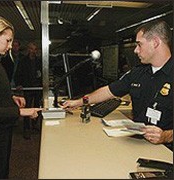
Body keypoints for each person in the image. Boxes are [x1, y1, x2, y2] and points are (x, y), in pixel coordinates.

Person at [62, 20, 173, 150]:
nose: (136, 50)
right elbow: (108, 91)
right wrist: (78, 102)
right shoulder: (138, 72)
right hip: (136, 144)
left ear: (155, 42)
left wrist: (166, 136)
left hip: (166, 150)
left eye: (139, 44)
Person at [0, 15, 42, 179]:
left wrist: (10, 97)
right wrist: (21, 112)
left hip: (0, 132)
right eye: (8, 40)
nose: (11, 46)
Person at [15, 42, 43, 139]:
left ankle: (35, 124)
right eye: (31, 49)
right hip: (28, 87)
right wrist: (19, 84)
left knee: (37, 106)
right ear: (28, 49)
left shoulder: (39, 61)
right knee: (27, 107)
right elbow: (18, 73)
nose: (33, 51)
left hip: (38, 87)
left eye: (35, 49)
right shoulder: (23, 61)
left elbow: (43, 74)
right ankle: (26, 128)